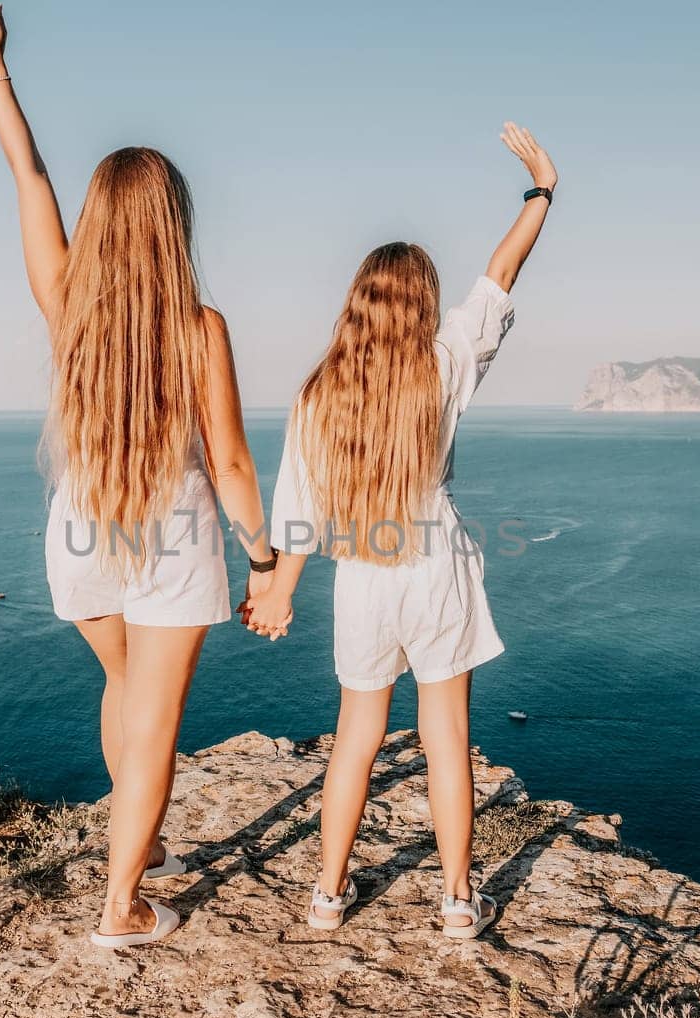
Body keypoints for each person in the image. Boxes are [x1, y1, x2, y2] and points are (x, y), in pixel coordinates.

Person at [0, 0, 277, 948]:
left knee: (124, 689)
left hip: (80, 527)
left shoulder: (68, 306)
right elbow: (232, 460)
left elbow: (29, 174)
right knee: (157, 722)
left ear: (99, 221)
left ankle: (148, 840)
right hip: (172, 533)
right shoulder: (200, 326)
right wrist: (264, 553)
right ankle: (122, 904)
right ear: (173, 224)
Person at [244, 125, 557, 937]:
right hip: (436, 564)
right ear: (422, 302)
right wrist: (541, 190)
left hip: (367, 572)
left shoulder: (318, 395)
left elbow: (298, 515)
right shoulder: (445, 362)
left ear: (356, 301)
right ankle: (457, 901)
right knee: (446, 735)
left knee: (356, 737)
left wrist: (278, 589)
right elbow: (501, 273)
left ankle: (327, 894)